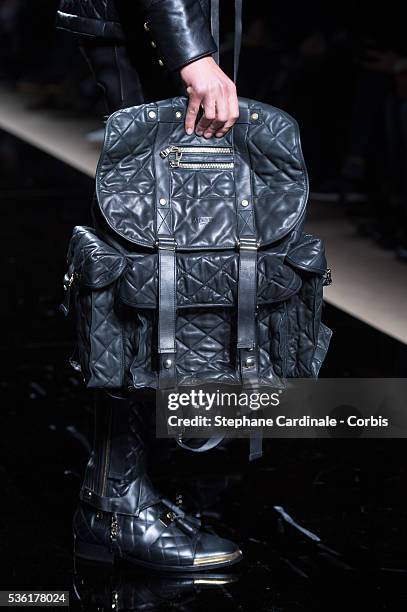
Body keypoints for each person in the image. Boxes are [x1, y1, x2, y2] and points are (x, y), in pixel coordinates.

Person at [56, 0, 243, 571]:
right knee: (146, 260)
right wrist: (192, 51)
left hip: (161, 28)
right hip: (152, 30)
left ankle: (130, 494)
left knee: (170, 257)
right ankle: (117, 508)